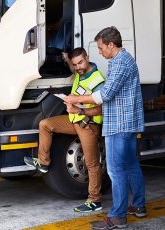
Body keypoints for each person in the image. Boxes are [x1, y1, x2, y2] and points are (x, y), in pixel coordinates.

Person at [64, 27, 147, 229]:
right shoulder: (122, 61)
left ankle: (118, 216)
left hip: (119, 124)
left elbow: (104, 95)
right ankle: (138, 206)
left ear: (111, 44)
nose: (99, 52)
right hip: (125, 123)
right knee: (130, 165)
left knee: (116, 170)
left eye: (101, 47)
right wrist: (81, 108)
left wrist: (75, 99)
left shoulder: (120, 63)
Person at [24, 47, 106, 212]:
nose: (77, 67)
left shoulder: (98, 80)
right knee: (45, 124)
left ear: (88, 58)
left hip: (88, 125)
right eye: (75, 64)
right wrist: (67, 59)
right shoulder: (79, 72)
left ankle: (95, 200)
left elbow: (101, 109)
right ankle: (44, 163)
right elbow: (72, 67)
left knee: (91, 163)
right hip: (74, 120)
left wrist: (79, 110)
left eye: (80, 63)